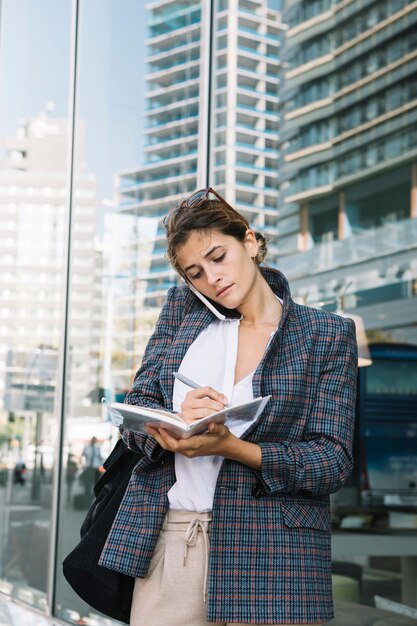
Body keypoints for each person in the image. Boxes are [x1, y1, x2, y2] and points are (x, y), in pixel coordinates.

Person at [99, 187, 358, 626]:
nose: (212, 278)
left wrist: (232, 447)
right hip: (175, 539)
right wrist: (175, 422)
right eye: (195, 272)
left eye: (219, 256)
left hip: (277, 554)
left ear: (251, 242)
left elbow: (332, 461)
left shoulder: (326, 334)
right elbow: (137, 406)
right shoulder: (182, 312)